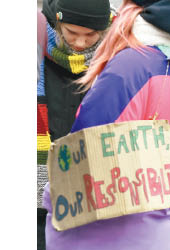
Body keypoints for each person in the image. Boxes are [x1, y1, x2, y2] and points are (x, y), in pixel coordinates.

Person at [42, 0, 170, 249]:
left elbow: (82, 159)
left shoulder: (129, 66)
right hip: (163, 231)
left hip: (105, 234)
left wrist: (50, 196)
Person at [37, 0, 113, 249]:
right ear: (57, 23)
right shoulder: (34, 43)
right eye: (71, 32)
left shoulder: (116, 57)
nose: (80, 43)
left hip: (90, 198)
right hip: (37, 193)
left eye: (90, 35)